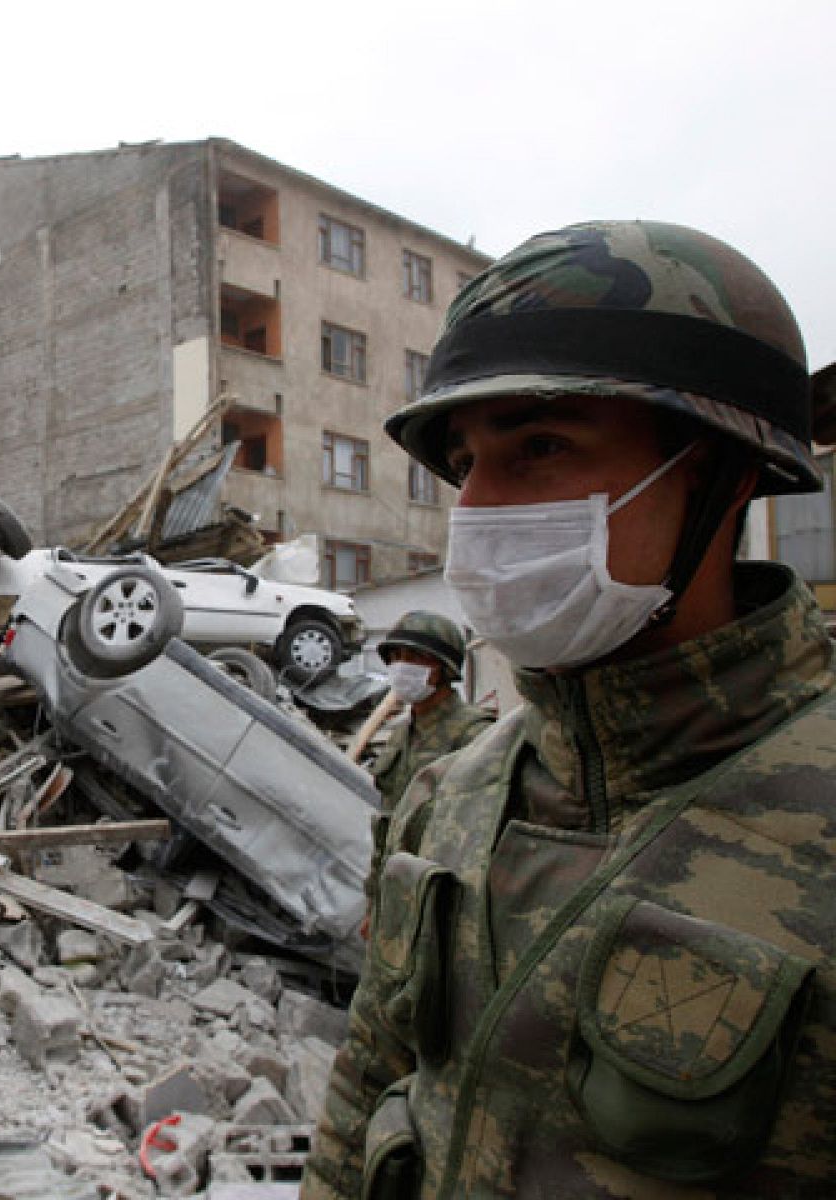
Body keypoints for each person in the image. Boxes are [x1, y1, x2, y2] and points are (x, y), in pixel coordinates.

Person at [301, 221, 836, 1198]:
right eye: (464, 462)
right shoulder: (452, 796)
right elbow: (368, 1085)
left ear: (723, 473)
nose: (473, 512)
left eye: (539, 446)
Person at [362, 611, 493, 928]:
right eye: (396, 656)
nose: (401, 666)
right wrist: (375, 904)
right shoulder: (401, 734)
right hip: (398, 895)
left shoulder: (476, 735)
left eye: (414, 657)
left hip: (447, 902)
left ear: (442, 669)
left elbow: (482, 836)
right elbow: (386, 827)